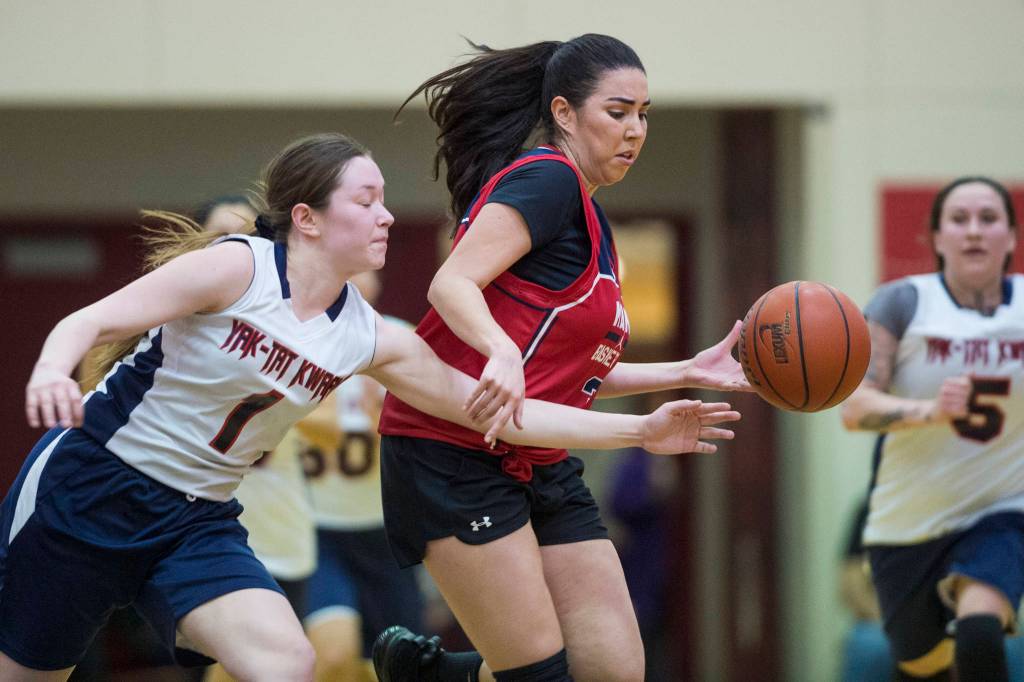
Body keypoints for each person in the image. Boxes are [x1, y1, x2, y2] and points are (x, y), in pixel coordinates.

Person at [0, 132, 740, 682]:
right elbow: (90, 321)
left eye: (385, 199)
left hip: (194, 517)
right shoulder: (237, 268)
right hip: (91, 485)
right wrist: (51, 370)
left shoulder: (369, 336)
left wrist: (642, 428)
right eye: (367, 200)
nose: (387, 216)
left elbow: (505, 414)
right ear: (308, 218)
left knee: (287, 663)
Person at [374, 34, 751, 682]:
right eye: (618, 111)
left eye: (645, 114)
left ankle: (435, 675)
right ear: (565, 113)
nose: (636, 129)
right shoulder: (547, 180)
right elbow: (451, 283)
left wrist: (685, 371)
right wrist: (500, 350)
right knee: (540, 674)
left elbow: (571, 377)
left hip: (538, 456)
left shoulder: (593, 219)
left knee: (612, 670)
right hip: (450, 453)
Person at [840, 176, 1023, 681]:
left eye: (989, 219)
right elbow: (854, 409)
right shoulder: (903, 303)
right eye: (959, 219)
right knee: (924, 668)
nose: (974, 231)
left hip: (1002, 510)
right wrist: (928, 412)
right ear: (937, 237)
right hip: (907, 521)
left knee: (980, 633)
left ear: (1010, 235)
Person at [302, 271, 426, 682]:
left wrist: (389, 415)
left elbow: (431, 427)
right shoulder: (292, 341)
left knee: (402, 661)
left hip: (385, 529)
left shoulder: (397, 338)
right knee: (333, 656)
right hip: (316, 529)